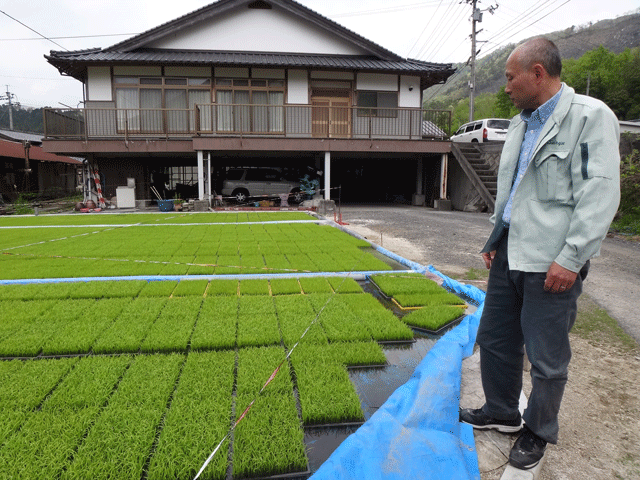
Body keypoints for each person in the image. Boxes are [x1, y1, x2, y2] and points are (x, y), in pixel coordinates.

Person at [459, 37, 621, 470]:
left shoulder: (589, 117)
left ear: (537, 73)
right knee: (495, 339)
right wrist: (496, 240)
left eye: (511, 77)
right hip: (512, 250)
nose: (507, 87)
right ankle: (501, 411)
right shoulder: (520, 123)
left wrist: (571, 258)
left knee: (546, 355)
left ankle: (538, 431)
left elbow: (600, 193)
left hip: (552, 257)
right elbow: (513, 192)